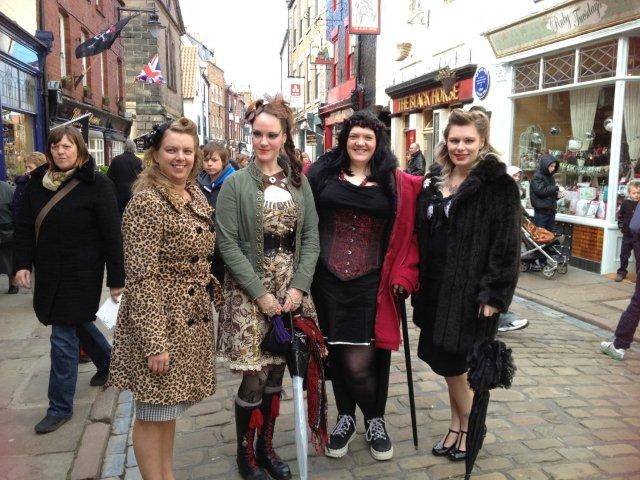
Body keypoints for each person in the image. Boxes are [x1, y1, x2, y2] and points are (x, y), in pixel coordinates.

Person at [307, 111, 421, 462]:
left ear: (377, 143)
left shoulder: (395, 182)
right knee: (337, 356)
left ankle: (374, 418)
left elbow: (411, 233)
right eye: (354, 136)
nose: (360, 142)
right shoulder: (323, 174)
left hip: (371, 283)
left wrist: (405, 275)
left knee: (366, 361)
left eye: (368, 138)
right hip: (326, 281)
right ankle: (345, 417)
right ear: (345, 140)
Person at [108, 118, 218, 479]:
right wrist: (155, 343)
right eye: (172, 150)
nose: (180, 157)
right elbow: (140, 279)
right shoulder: (146, 203)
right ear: (155, 154)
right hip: (160, 321)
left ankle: (166, 475)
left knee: (167, 411)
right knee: (152, 413)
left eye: (188, 151)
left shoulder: (193, 192)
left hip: (188, 320)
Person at [216, 96, 319, 480]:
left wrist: (299, 288)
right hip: (248, 291)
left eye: (271, 134)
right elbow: (226, 243)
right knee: (254, 376)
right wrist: (260, 293)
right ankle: (246, 453)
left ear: (285, 136)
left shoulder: (300, 183)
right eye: (257, 133)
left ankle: (267, 446)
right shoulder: (235, 185)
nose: (263, 141)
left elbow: (310, 237)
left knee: (278, 373)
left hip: (290, 289)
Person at [412, 109, 520, 461]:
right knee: (446, 364)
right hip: (436, 290)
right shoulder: (435, 181)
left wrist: (493, 294)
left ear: (482, 142)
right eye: (454, 140)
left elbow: (506, 246)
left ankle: (471, 427)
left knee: (459, 365)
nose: (460, 147)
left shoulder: (497, 186)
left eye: (468, 141)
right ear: (446, 142)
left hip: (472, 295)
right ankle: (457, 424)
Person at [13, 126, 124, 434]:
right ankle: (109, 363)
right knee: (77, 323)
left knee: (62, 335)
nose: (61, 151)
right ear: (49, 151)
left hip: (83, 272)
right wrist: (22, 264)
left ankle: (59, 406)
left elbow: (112, 235)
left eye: (67, 146)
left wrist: (117, 279)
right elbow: (23, 228)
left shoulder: (97, 184)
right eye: (55, 147)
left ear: (80, 149)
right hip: (48, 272)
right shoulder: (36, 185)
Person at [497, 165, 529, 333]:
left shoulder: (516, 191)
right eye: (514, 176)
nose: (517, 178)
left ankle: (501, 317)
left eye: (519, 176)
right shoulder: (501, 191)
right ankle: (502, 318)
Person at [107, 139, 144, 217]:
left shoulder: (116, 160)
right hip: (133, 192)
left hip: (118, 193)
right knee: (132, 215)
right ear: (134, 148)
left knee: (119, 215)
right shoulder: (138, 161)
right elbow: (142, 178)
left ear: (124, 147)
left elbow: (109, 177)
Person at [530, 154, 564, 232]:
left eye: (554, 166)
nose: (553, 168)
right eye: (551, 166)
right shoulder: (537, 176)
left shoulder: (550, 177)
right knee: (540, 235)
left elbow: (549, 193)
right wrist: (556, 188)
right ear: (545, 164)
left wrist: (558, 195)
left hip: (550, 211)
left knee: (549, 236)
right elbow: (540, 191)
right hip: (541, 212)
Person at [615, 179, 640, 282]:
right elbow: (620, 217)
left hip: (638, 236)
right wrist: (621, 227)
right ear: (629, 193)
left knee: (638, 257)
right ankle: (622, 272)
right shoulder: (625, 203)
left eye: (639, 193)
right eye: (634, 193)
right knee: (624, 255)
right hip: (627, 235)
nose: (637, 195)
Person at [197, 143, 236, 209]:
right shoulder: (199, 181)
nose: (209, 164)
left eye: (214, 160)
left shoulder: (234, 182)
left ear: (223, 162)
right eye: (206, 160)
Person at [11, 151, 47, 218]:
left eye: (30, 167)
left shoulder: (49, 184)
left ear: (40, 168)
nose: (27, 171)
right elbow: (16, 208)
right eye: (26, 167)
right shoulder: (22, 184)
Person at [0, 180, 16, 293]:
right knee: (10, 258)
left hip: (7, 230)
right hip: (8, 229)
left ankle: (13, 284)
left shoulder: (7, 189)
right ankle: (13, 285)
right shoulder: (8, 188)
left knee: (10, 258)